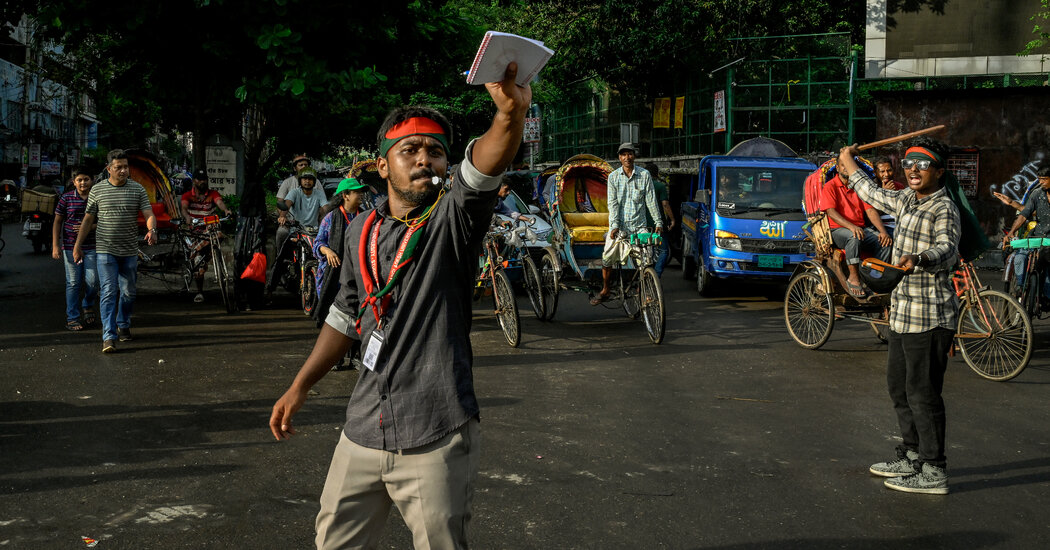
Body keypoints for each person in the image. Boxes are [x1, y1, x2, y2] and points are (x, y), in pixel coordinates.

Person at [269, 63, 530, 549]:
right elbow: (345, 317)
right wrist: (299, 386)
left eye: (435, 151)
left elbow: (483, 168)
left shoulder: (455, 220)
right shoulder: (358, 230)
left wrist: (510, 117)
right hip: (363, 427)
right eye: (409, 150)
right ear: (383, 165)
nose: (424, 160)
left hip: (436, 431)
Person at [837, 140, 961, 495]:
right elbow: (870, 191)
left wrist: (919, 259)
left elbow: (947, 248)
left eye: (923, 165)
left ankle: (934, 469)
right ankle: (911, 455)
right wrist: (847, 159)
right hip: (903, 313)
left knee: (924, 393)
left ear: (939, 171)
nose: (914, 170)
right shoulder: (906, 198)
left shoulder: (944, 208)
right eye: (909, 164)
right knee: (899, 388)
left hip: (932, 314)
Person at [74, 149, 157, 353]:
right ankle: (108, 336)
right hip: (105, 250)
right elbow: (88, 220)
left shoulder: (137, 189)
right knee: (109, 292)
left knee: (129, 293)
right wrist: (77, 245)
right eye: (118, 167)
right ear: (108, 168)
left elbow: (149, 213)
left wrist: (152, 229)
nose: (123, 170)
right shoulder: (98, 190)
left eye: (125, 167)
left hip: (129, 250)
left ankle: (124, 323)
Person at [591, 143, 662, 305]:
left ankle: (643, 290)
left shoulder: (644, 175)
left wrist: (658, 221)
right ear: (619, 158)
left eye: (629, 154)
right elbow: (613, 203)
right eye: (623, 154)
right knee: (607, 257)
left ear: (634, 156)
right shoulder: (613, 177)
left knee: (647, 260)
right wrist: (614, 225)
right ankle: (606, 288)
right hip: (620, 227)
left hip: (639, 227)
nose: (627, 157)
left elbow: (651, 200)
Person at [821, 164, 892, 297]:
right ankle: (853, 277)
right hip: (837, 231)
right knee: (854, 236)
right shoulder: (830, 186)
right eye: (842, 165)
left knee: (885, 241)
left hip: (861, 229)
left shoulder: (859, 187)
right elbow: (831, 212)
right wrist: (851, 226)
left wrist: (883, 231)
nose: (845, 168)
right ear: (837, 168)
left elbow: (870, 210)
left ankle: (874, 278)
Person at [266, 168, 327, 298]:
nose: (307, 181)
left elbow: (325, 208)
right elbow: (286, 204)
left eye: (310, 179)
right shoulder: (294, 192)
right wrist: (283, 216)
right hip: (296, 231)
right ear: (300, 181)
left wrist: (330, 217)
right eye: (305, 179)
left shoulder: (319, 194)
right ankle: (269, 290)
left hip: (313, 232)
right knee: (281, 258)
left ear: (314, 181)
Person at [52, 167, 98, 331]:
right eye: (79, 179)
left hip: (92, 246)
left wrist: (90, 227)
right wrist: (55, 245)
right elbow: (57, 222)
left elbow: (104, 221)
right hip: (70, 246)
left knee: (93, 281)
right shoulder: (66, 198)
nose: (83, 182)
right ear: (74, 182)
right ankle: (72, 317)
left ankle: (87, 303)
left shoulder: (96, 198)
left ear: (92, 180)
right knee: (73, 283)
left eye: (86, 179)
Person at [180, 169, 233, 303]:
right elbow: (184, 208)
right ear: (194, 181)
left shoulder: (213, 194)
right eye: (199, 179)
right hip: (195, 231)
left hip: (210, 230)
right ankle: (199, 291)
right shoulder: (187, 195)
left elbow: (219, 202)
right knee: (198, 263)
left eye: (204, 179)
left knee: (217, 234)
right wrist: (187, 217)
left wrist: (226, 210)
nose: (202, 182)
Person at [1002, 166, 1050, 303]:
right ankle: (1020, 285)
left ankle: (1047, 296)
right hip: (1037, 236)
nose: (1041, 182)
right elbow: (1024, 214)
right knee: (1020, 256)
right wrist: (1011, 233)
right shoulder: (1036, 194)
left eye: (1045, 179)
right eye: (1040, 179)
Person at [645, 163, 676, 277]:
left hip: (643, 225)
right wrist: (672, 220)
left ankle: (645, 275)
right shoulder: (660, 186)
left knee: (645, 251)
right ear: (657, 174)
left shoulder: (641, 186)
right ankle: (656, 275)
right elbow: (665, 205)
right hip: (658, 225)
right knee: (663, 251)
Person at [873, 156, 906, 235]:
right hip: (882, 226)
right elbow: (873, 214)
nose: (886, 174)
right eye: (882, 171)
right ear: (875, 173)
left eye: (889, 170)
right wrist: (885, 193)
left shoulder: (899, 186)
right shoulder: (872, 188)